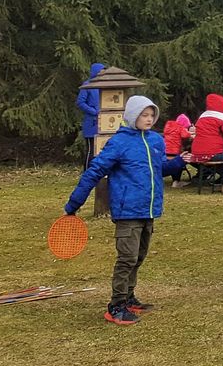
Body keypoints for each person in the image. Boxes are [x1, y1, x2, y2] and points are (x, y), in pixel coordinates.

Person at [64, 95, 165, 325]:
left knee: (138, 257)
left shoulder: (155, 141)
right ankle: (116, 305)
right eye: (144, 115)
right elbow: (94, 171)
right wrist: (74, 203)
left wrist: (180, 162)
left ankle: (129, 298)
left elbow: (159, 169)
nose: (149, 119)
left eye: (152, 115)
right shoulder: (119, 142)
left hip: (148, 210)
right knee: (127, 258)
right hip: (127, 211)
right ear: (132, 116)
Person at [191, 93, 223, 177]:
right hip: (212, 153)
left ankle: (207, 176)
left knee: (221, 156)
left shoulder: (202, 116)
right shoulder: (221, 116)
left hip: (196, 153)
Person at [76, 62, 106, 169]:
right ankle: (87, 172)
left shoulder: (105, 85)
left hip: (105, 124)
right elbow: (80, 102)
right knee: (91, 149)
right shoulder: (87, 85)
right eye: (101, 71)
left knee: (103, 149)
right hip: (91, 123)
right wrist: (94, 111)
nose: (103, 74)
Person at [161, 113, 192, 187]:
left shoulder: (169, 127)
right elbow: (185, 135)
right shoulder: (180, 128)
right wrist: (191, 134)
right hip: (174, 151)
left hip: (166, 151)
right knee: (179, 161)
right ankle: (176, 181)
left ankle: (174, 180)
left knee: (171, 163)